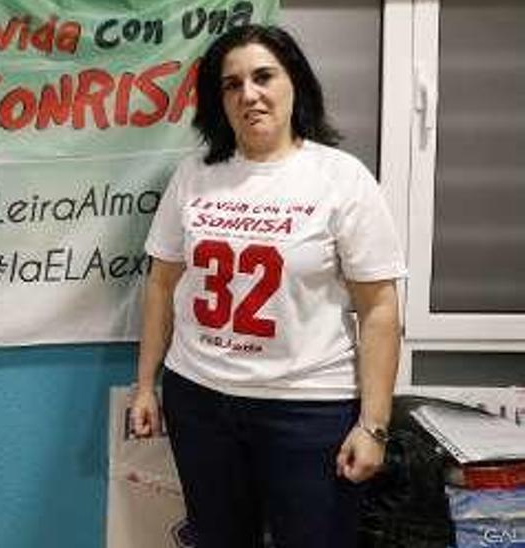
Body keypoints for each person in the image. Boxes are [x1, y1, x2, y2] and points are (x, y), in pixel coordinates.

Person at [130, 24, 405, 548]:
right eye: (231, 84)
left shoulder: (341, 179)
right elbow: (162, 284)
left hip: (308, 409)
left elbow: (380, 310)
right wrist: (146, 385)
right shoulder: (193, 175)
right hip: (200, 400)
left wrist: (373, 424)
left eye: (263, 77)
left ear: (294, 82)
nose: (248, 94)